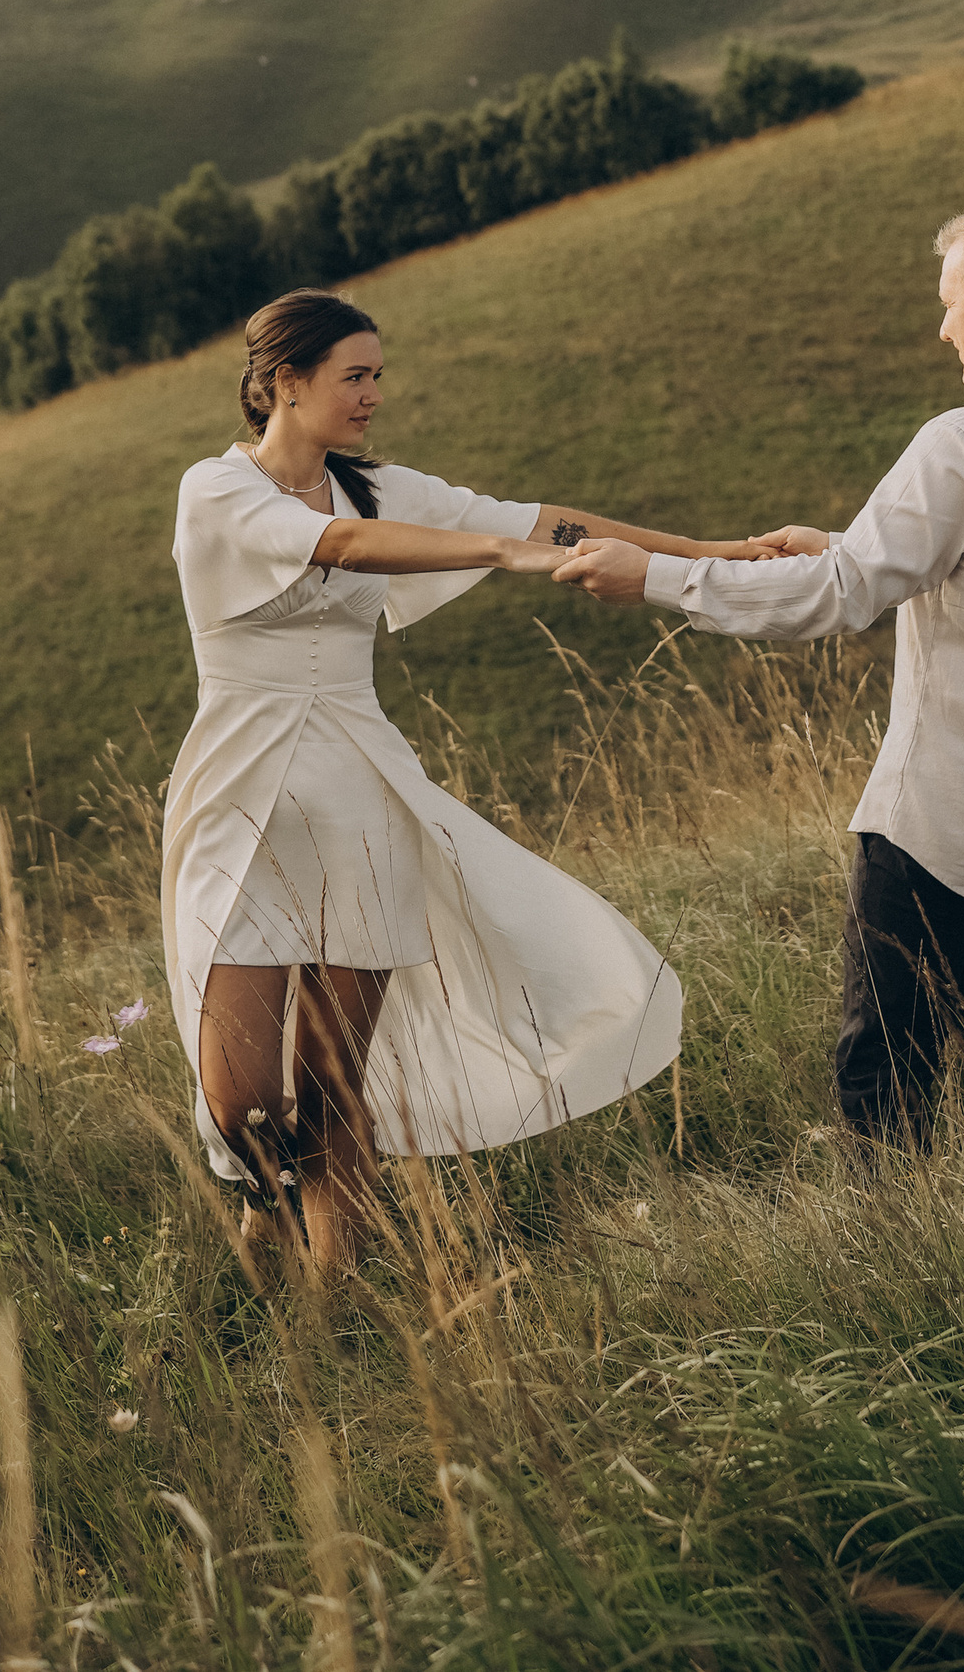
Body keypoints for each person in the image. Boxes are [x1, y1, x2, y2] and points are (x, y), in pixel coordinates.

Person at [160, 284, 763, 1274]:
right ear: (284, 382)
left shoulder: (377, 486)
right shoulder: (215, 489)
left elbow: (546, 518)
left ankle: (329, 1310)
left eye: (376, 375)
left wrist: (714, 551)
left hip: (357, 791)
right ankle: (265, 1197)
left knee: (331, 1080)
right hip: (238, 797)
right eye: (354, 375)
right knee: (242, 1103)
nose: (372, 394)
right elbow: (342, 548)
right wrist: (501, 553)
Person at [559, 191, 964, 1141]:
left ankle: (902, 1249)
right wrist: (854, 543)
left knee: (882, 1065)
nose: (943, 327)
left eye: (951, 301)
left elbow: (836, 600)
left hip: (946, 825)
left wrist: (658, 577)